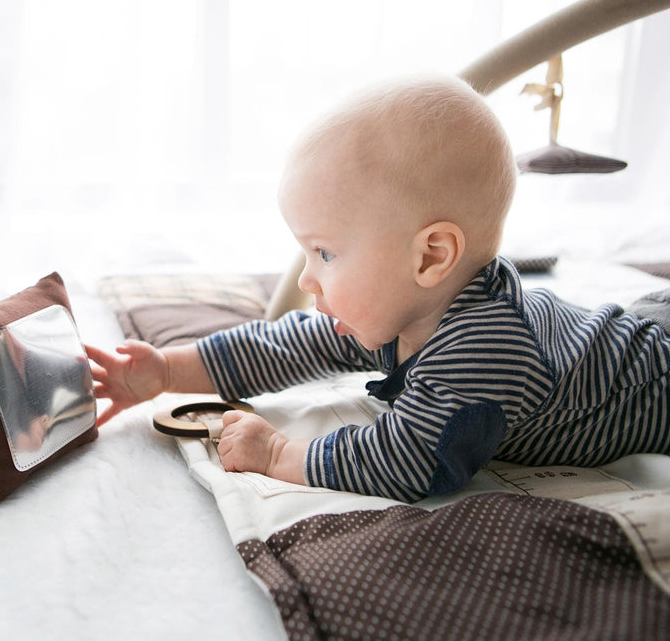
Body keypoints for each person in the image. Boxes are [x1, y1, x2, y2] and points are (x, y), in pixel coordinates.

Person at [85, 73, 670, 502]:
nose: (307, 277)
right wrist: (165, 371)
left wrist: (281, 454)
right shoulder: (408, 305)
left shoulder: (482, 349)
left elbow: (412, 461)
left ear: (431, 256)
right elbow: (288, 345)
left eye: (326, 252)